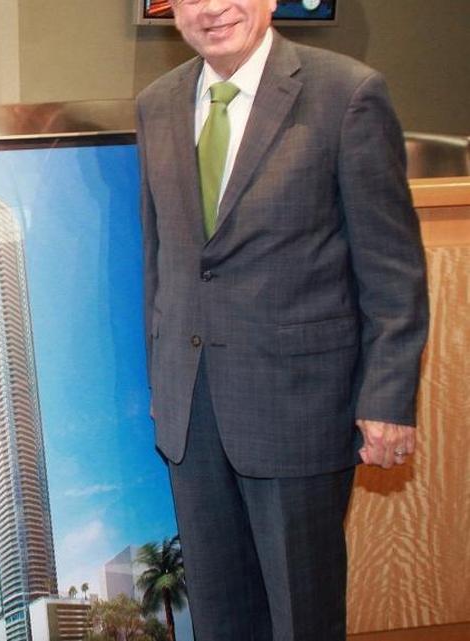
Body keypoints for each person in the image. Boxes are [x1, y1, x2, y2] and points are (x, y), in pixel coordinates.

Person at [135, 0, 428, 639]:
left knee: (301, 614)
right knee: (218, 612)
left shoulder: (347, 94)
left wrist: (388, 399)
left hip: (300, 405)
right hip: (192, 408)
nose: (211, 8)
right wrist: (162, 382)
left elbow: (393, 270)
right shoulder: (157, 104)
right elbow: (163, 259)